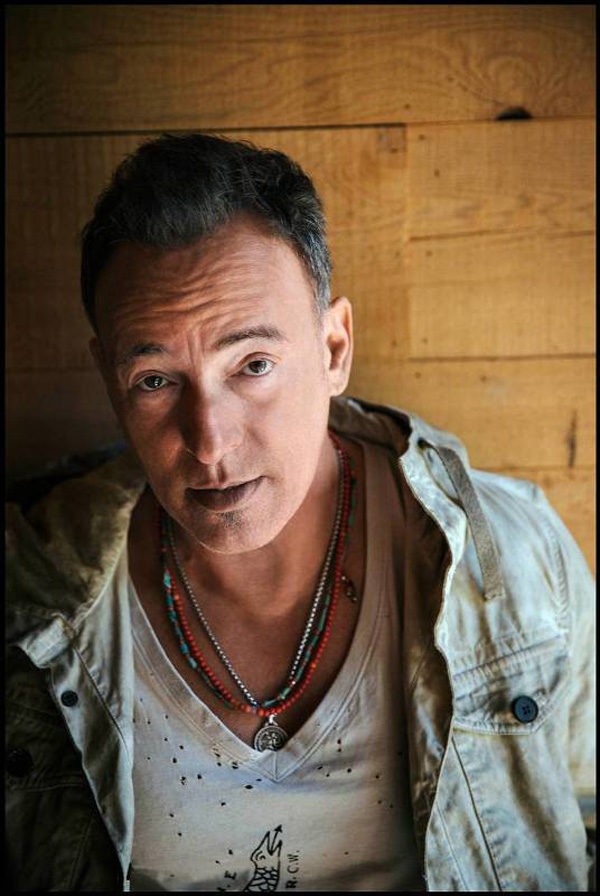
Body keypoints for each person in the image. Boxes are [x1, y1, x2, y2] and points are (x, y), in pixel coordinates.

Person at [6, 132, 595, 892]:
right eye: (155, 379)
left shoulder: (512, 562)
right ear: (109, 379)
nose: (209, 441)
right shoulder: (31, 595)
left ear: (334, 348)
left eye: (253, 365)